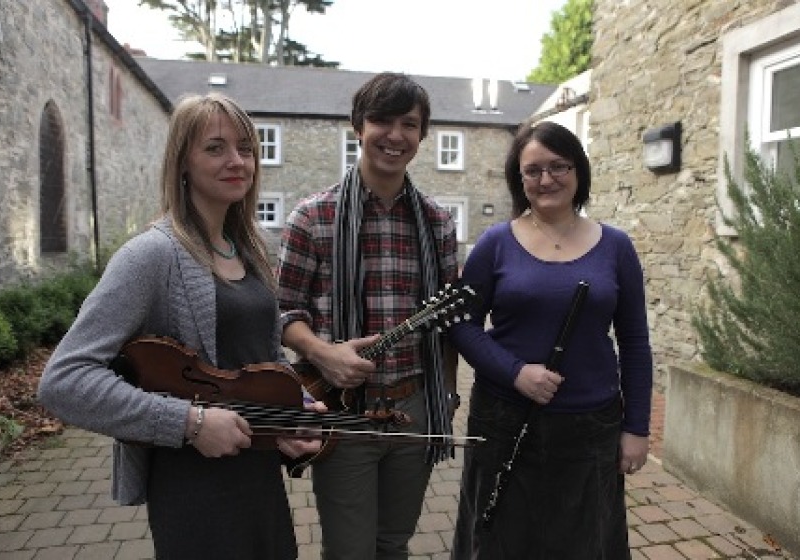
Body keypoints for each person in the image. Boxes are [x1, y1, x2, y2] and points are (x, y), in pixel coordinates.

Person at [37, 92, 323, 559]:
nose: (237, 161)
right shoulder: (150, 256)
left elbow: (262, 357)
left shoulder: (253, 250)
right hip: (193, 485)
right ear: (182, 163)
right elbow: (62, 382)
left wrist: (295, 407)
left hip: (257, 473)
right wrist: (189, 422)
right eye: (215, 147)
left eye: (246, 148)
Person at [276, 72, 460, 559]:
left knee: (393, 544)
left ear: (422, 136)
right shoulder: (311, 217)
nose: (395, 135)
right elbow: (283, 311)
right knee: (350, 550)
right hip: (343, 413)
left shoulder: (438, 223)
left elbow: (447, 325)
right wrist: (322, 352)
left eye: (410, 124)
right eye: (382, 120)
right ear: (358, 125)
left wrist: (447, 394)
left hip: (414, 408)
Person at [449, 120, 653, 559]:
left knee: (584, 542)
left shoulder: (615, 246)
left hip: (591, 427)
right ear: (519, 179)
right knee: (500, 539)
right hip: (505, 419)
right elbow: (461, 324)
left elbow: (635, 340)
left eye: (558, 166)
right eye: (533, 170)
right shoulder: (495, 243)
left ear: (578, 171)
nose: (546, 179)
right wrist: (515, 372)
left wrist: (636, 427)